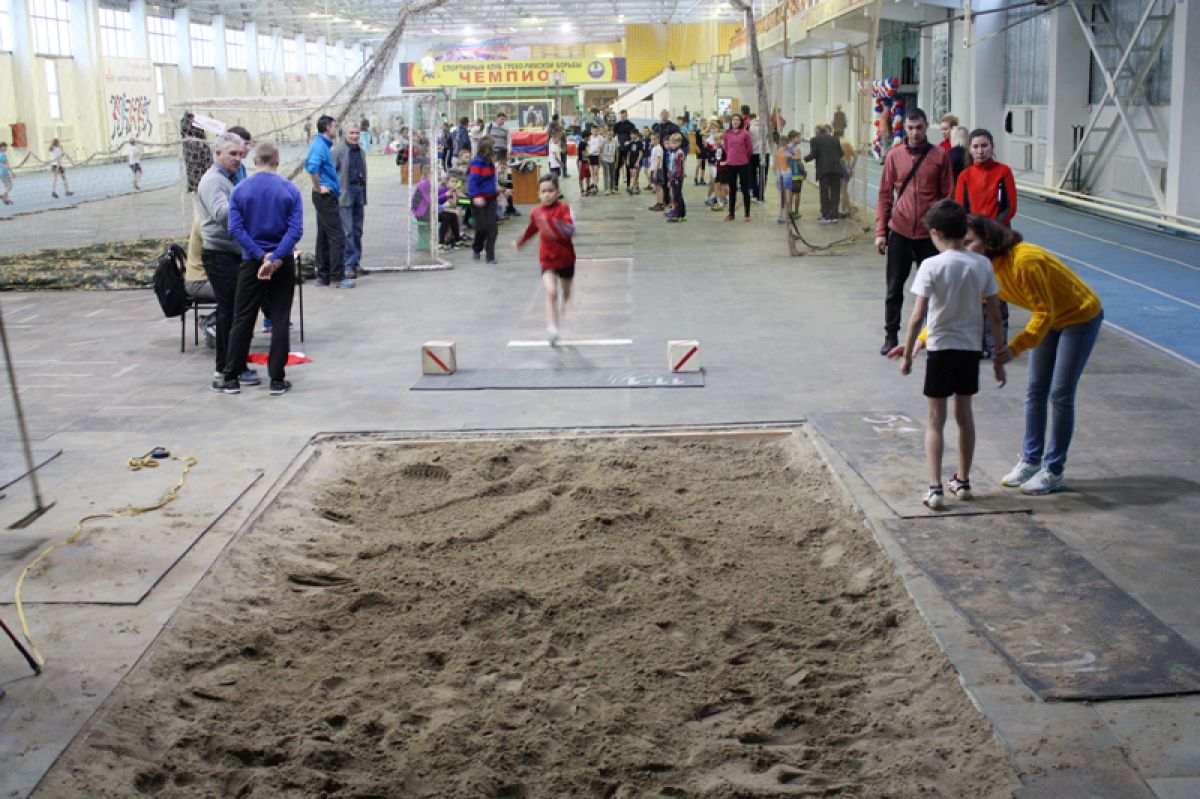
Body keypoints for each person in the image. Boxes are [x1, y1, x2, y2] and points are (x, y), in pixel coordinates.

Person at [965, 214, 1103, 495]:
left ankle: (1054, 471)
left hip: (1079, 316)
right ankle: (1030, 461)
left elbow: (1044, 311)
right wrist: (924, 337)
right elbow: (966, 306)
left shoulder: (1024, 261)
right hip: (1051, 318)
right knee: (1035, 390)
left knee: (1060, 394)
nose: (963, 248)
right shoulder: (984, 269)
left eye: (969, 242)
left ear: (988, 241)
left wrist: (1015, 347)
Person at [894, 200, 1006, 510]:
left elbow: (917, 316)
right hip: (969, 350)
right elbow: (995, 316)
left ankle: (935, 488)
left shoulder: (931, 265)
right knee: (964, 417)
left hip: (940, 349)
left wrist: (908, 355)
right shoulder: (982, 264)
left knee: (935, 421)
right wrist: (998, 357)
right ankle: (964, 482)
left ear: (936, 233)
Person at [222, 141, 303, 396]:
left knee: (243, 318)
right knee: (279, 318)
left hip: (251, 263)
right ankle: (277, 379)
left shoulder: (240, 190)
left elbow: (235, 229)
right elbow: (295, 230)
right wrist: (276, 257)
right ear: (278, 161)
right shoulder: (290, 190)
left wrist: (260, 256)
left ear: (254, 161)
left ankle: (231, 377)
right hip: (282, 263)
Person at [875, 107, 954, 355]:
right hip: (900, 230)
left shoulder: (940, 156)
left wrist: (945, 233)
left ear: (926, 126)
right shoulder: (894, 156)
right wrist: (880, 232)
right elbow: (884, 195)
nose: (914, 132)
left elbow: (948, 196)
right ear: (904, 128)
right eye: (910, 128)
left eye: (919, 127)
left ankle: (932, 336)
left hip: (930, 235)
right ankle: (891, 336)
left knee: (935, 290)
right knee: (894, 288)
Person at [196, 132, 259, 389]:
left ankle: (236, 364)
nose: (237, 158)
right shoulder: (213, 181)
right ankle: (225, 368)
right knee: (230, 311)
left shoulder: (229, 179)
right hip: (220, 254)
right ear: (218, 153)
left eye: (239, 154)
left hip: (233, 253)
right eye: (232, 154)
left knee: (237, 311)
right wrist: (250, 206)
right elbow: (222, 214)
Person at [956, 127, 1017, 356]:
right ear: (970, 149)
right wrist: (974, 236)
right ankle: (977, 342)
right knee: (974, 294)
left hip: (998, 240)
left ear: (992, 147)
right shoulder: (964, 176)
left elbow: (1010, 207)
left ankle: (996, 345)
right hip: (973, 242)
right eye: (976, 146)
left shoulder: (1004, 172)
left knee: (997, 293)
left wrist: (993, 232)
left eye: (984, 146)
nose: (980, 151)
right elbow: (961, 209)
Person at [513, 174, 577, 344]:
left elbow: (570, 228)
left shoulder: (564, 209)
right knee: (551, 291)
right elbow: (531, 230)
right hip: (547, 260)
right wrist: (519, 243)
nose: (547, 194)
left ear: (558, 192)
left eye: (550, 191)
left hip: (566, 259)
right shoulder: (536, 213)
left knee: (566, 293)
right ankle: (552, 327)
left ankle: (563, 300)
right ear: (538, 194)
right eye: (544, 191)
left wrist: (555, 224)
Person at [305, 115, 352, 288]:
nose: (336, 129)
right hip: (325, 196)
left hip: (325, 195)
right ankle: (337, 277)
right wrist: (319, 187)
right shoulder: (319, 146)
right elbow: (312, 167)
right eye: (334, 126)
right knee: (336, 236)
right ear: (327, 128)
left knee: (324, 235)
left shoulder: (323, 145)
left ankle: (323, 275)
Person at [332, 123, 369, 279]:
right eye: (351, 133)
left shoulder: (361, 151)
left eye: (357, 133)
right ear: (345, 134)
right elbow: (330, 172)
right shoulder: (338, 151)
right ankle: (347, 264)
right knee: (347, 231)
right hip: (345, 194)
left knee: (357, 230)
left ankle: (355, 262)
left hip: (359, 191)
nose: (355, 136)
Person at [467, 137, 500, 263]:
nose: (495, 149)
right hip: (478, 200)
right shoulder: (476, 163)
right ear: (486, 149)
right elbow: (472, 182)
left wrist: (497, 190)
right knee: (481, 228)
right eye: (493, 147)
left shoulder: (490, 163)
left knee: (492, 229)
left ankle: (490, 256)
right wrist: (476, 196)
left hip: (491, 199)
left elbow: (491, 180)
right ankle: (477, 248)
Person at [805, 124, 844, 223]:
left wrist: (805, 159)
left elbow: (813, 154)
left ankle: (826, 216)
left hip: (824, 170)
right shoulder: (835, 139)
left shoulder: (815, 140)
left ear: (818, 132)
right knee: (835, 193)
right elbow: (841, 153)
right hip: (836, 170)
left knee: (824, 193)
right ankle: (834, 216)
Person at [722, 114, 752, 222]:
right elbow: (726, 148)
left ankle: (747, 214)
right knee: (732, 190)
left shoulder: (745, 134)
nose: (735, 122)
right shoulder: (727, 134)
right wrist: (731, 157)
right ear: (731, 122)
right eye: (734, 120)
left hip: (743, 164)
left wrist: (743, 158)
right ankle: (731, 214)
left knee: (745, 189)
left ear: (740, 122)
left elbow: (749, 149)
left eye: (737, 120)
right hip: (730, 164)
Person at [613, 110, 637, 191]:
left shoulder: (631, 125)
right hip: (619, 150)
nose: (623, 117)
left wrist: (629, 142)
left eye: (624, 116)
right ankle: (616, 185)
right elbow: (613, 135)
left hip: (628, 150)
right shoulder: (617, 125)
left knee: (628, 167)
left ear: (627, 115)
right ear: (620, 116)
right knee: (617, 167)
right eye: (621, 116)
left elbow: (635, 136)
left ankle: (628, 185)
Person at [665, 133, 686, 223]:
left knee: (677, 197)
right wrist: (669, 175)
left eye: (675, 143)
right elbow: (671, 165)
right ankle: (678, 214)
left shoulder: (679, 153)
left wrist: (676, 177)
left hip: (677, 178)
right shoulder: (671, 152)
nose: (673, 144)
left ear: (679, 143)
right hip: (672, 177)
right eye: (672, 142)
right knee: (675, 196)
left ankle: (680, 215)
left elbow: (679, 167)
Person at [647, 133, 665, 212]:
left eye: (654, 139)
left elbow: (659, 160)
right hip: (653, 169)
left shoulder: (658, 148)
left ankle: (660, 204)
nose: (652, 141)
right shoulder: (654, 148)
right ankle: (658, 203)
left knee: (659, 187)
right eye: (651, 139)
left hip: (657, 170)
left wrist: (655, 171)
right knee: (656, 187)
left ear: (658, 139)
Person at [839, 136, 857, 217]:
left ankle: (843, 210)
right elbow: (856, 157)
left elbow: (841, 159)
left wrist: (846, 168)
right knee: (845, 190)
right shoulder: (847, 144)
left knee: (842, 190)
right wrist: (851, 167)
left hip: (842, 168)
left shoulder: (838, 144)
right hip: (848, 167)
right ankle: (847, 207)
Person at [625, 130, 644, 195]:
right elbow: (629, 152)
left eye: (633, 134)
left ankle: (632, 187)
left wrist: (637, 162)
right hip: (631, 161)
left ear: (636, 134)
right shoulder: (631, 142)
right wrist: (628, 159)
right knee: (633, 175)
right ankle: (637, 187)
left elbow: (640, 154)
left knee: (634, 174)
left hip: (637, 161)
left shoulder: (640, 143)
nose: (631, 136)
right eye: (631, 134)